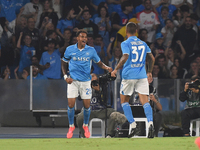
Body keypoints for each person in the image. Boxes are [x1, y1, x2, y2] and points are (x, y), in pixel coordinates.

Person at [61, 29, 112, 139]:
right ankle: (71, 126)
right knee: (70, 104)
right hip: (73, 81)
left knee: (87, 105)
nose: (85, 39)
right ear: (78, 38)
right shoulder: (70, 49)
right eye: (82, 37)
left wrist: (107, 68)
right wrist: (66, 77)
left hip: (85, 81)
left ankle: (85, 126)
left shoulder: (91, 50)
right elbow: (63, 63)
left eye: (86, 37)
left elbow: (99, 63)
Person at [111, 22, 155, 138]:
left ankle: (133, 124)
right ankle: (150, 123)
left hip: (129, 76)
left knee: (124, 101)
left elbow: (125, 56)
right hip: (142, 76)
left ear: (126, 31)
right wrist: (149, 71)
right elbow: (152, 58)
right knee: (145, 101)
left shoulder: (125, 43)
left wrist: (115, 69)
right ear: (136, 31)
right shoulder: (143, 43)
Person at [76, 73, 127, 138]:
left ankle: (110, 135)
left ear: (97, 78)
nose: (92, 78)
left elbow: (105, 99)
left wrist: (99, 91)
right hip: (89, 110)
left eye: (93, 76)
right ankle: (83, 135)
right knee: (79, 118)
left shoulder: (103, 85)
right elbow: (79, 98)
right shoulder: (85, 86)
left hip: (102, 110)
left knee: (114, 114)